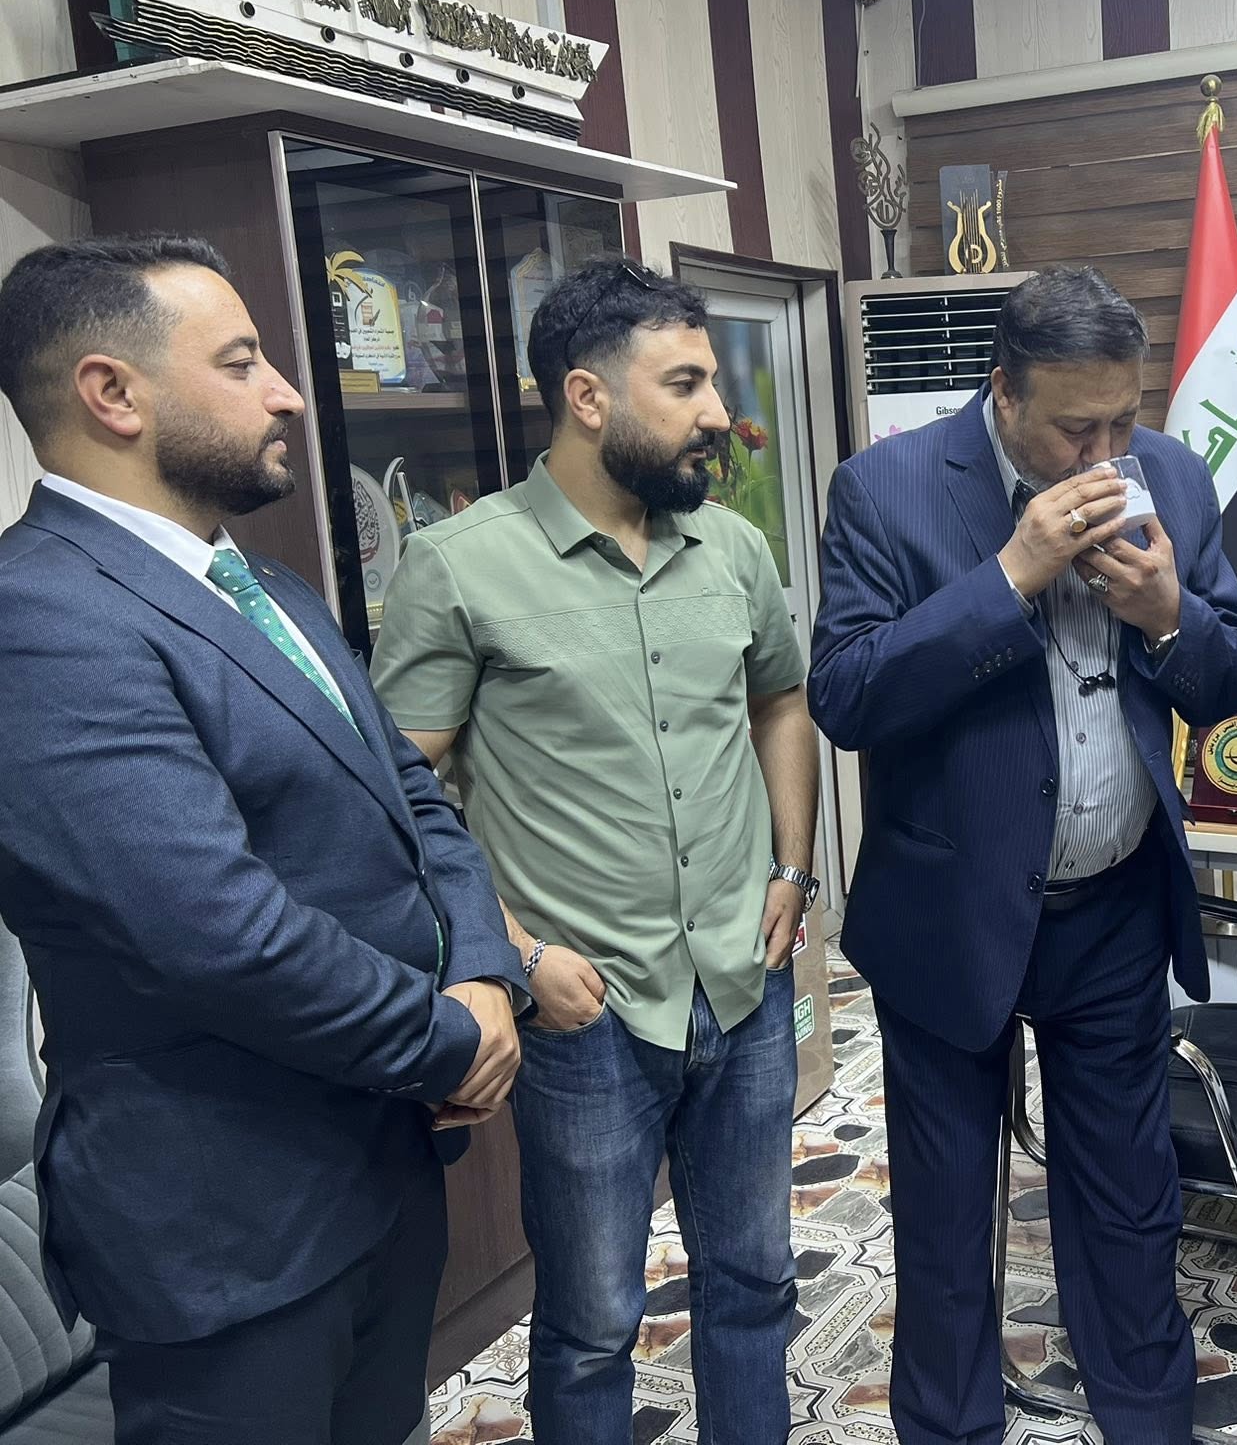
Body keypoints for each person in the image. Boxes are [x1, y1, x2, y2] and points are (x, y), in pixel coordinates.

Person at [0, 233, 525, 1444]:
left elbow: (413, 802)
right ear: (112, 393)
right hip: (226, 1229)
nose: (287, 392)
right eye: (241, 364)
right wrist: (450, 1040)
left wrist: (486, 972)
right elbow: (215, 932)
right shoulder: (41, 620)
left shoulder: (261, 587)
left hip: (376, 1169)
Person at [371, 258, 815, 1444]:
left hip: (742, 982)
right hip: (585, 1010)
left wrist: (791, 867)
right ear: (586, 396)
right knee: (593, 1319)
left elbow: (781, 700)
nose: (717, 413)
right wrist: (514, 954)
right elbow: (398, 794)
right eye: (685, 385)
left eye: (711, 382)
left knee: (754, 1282)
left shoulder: (731, 548)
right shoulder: (459, 565)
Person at [809, 266, 1237, 1445]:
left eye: (1122, 420)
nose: (1104, 454)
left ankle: (1145, 1419)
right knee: (947, 1214)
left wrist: (1168, 616)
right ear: (1002, 393)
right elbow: (845, 695)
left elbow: (1227, 677)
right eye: (1074, 429)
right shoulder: (885, 488)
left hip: (1113, 906)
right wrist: (1007, 578)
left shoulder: (1173, 476)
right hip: (947, 910)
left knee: (1127, 1199)